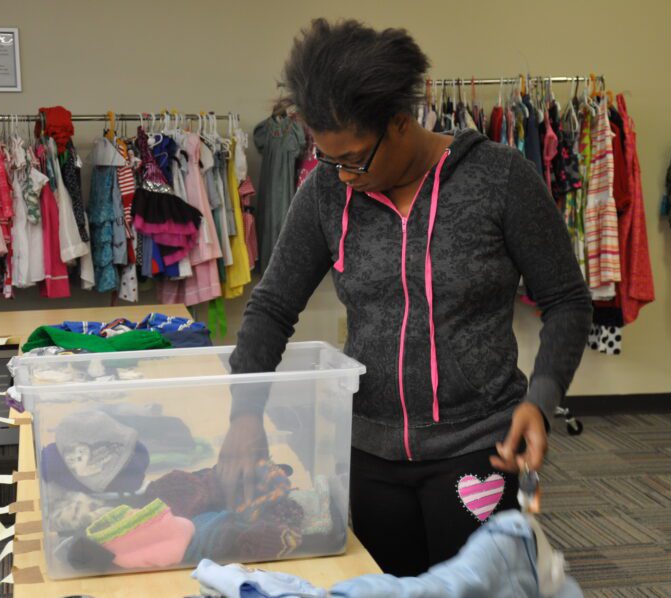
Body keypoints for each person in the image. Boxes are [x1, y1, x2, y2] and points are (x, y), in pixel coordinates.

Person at [219, 18, 592, 576]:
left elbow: (567, 301)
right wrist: (245, 414)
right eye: (329, 160)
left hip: (478, 448)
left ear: (399, 122)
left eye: (353, 159)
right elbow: (272, 306)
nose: (342, 176)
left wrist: (540, 398)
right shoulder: (325, 192)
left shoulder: (499, 179)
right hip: (370, 452)